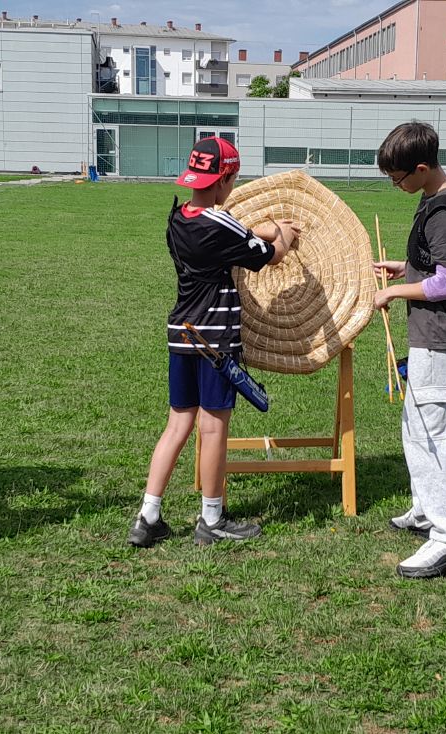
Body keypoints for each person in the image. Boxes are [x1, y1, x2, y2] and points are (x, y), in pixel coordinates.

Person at [128, 137, 300, 548]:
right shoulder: (222, 226)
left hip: (181, 335)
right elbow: (272, 254)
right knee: (213, 427)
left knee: (177, 425)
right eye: (233, 179)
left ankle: (147, 516)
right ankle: (212, 519)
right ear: (223, 178)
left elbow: (232, 232)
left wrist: (256, 230)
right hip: (215, 341)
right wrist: (285, 234)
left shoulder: (178, 219)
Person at [373, 122, 446, 578]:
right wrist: (406, 268)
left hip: (440, 337)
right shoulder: (439, 196)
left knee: (431, 437)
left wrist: (394, 292)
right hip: (439, 334)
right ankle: (426, 508)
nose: (396, 186)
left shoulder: (443, 212)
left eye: (398, 178)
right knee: (416, 427)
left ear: (421, 168)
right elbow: (434, 265)